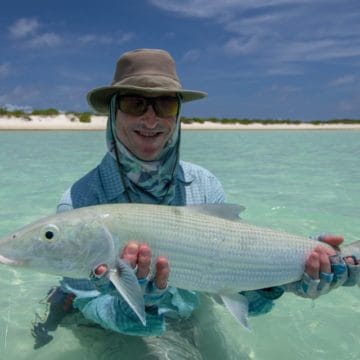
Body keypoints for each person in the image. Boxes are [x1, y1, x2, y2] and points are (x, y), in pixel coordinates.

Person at [32, 49, 359, 350]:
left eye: (166, 105)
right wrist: (135, 305)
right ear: (113, 111)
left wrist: (295, 274)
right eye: (135, 104)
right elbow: (86, 304)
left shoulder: (204, 183)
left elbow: (233, 275)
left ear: (177, 115)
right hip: (110, 330)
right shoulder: (80, 201)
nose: (151, 119)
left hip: (190, 316)